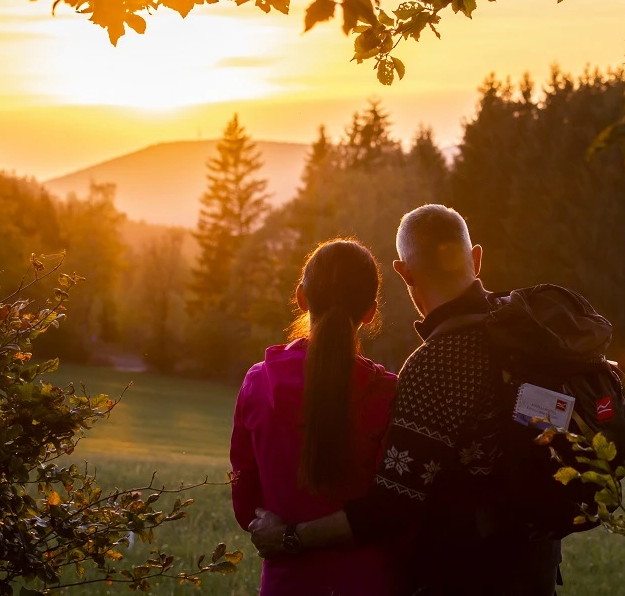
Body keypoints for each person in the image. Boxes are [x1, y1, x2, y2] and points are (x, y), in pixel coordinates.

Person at [250, 205, 563, 596]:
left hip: (468, 574)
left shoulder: (434, 365)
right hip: (537, 569)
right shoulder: (528, 334)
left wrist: (289, 538)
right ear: (476, 258)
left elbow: (392, 507)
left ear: (404, 272)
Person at [229, 238, 399, 596]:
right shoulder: (389, 395)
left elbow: (246, 502)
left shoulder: (257, 383)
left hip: (286, 584)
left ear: (301, 297)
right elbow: (389, 509)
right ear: (370, 312)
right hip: (366, 584)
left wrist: (279, 530)